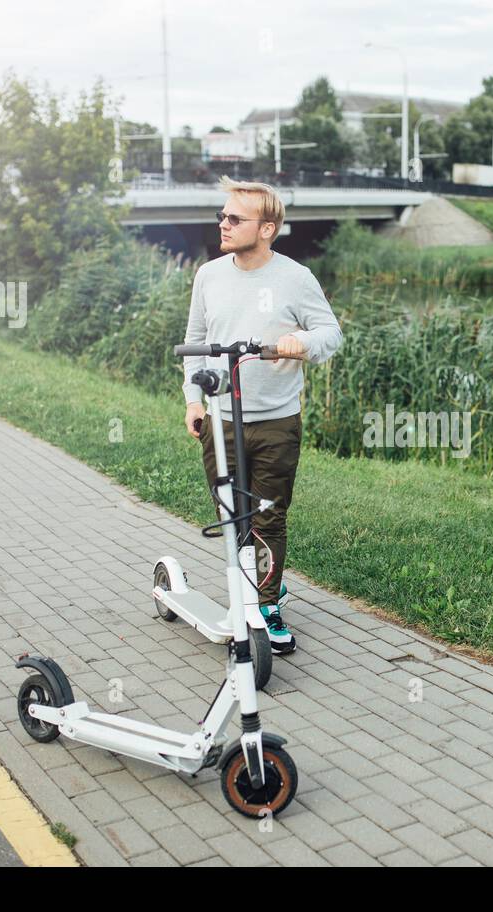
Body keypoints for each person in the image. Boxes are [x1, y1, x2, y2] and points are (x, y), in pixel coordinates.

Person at [181, 176, 343, 655]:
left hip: (275, 421)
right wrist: (193, 399)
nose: (223, 224)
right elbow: (194, 340)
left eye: (235, 218)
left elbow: (331, 335)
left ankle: (266, 603)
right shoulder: (209, 275)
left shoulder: (294, 278)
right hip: (220, 416)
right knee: (231, 515)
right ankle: (244, 593)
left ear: (267, 228)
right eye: (222, 216)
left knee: (268, 518)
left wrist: (303, 343)